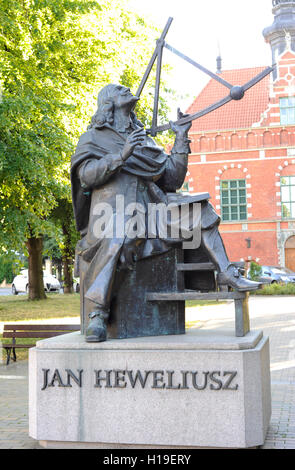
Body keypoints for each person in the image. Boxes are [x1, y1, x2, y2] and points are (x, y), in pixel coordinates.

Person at [71, 84, 260, 342]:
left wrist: (181, 138)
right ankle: (98, 314)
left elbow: (171, 178)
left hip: (150, 212)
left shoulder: (144, 139)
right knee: (119, 235)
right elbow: (86, 176)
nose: (125, 88)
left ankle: (225, 271)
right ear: (108, 103)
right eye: (118, 89)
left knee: (200, 209)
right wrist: (122, 155)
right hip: (111, 216)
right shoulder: (94, 138)